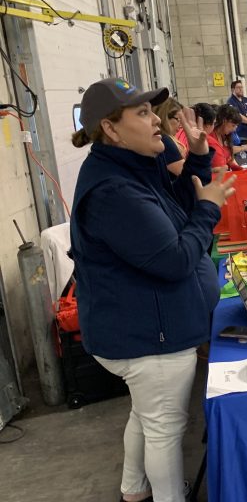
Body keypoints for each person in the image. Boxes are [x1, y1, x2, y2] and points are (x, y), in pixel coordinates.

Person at [69, 78, 235, 502]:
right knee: (164, 426)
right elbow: (174, 258)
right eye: (142, 113)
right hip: (148, 335)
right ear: (111, 128)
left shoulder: (132, 168)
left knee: (147, 416)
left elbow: (174, 205)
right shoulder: (114, 191)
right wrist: (209, 209)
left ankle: (134, 489)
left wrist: (198, 159)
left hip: (142, 327)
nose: (157, 122)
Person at [155, 97, 186, 177]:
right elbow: (188, 175)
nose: (180, 125)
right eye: (178, 119)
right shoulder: (165, 140)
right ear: (165, 117)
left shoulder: (163, 137)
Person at [209, 104, 243, 171]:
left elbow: (227, 157)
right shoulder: (210, 136)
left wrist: (233, 165)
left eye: (236, 126)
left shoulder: (225, 136)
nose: (234, 129)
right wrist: (215, 170)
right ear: (224, 121)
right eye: (233, 125)